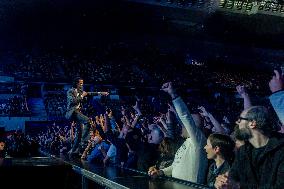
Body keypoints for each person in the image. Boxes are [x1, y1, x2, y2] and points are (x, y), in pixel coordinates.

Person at [148, 82, 207, 183]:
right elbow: (175, 166)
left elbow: (185, 117)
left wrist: (173, 94)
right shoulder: (187, 142)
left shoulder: (198, 141)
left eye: (185, 124)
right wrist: (160, 172)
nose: (182, 126)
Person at [215, 106, 284, 189]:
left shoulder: (281, 149)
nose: (237, 122)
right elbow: (233, 176)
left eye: (240, 119)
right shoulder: (243, 151)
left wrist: (238, 186)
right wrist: (223, 181)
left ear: (252, 123)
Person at [66, 77, 108, 155]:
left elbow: (90, 93)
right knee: (88, 120)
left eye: (82, 83)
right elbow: (73, 101)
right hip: (72, 112)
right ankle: (84, 140)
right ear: (76, 83)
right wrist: (82, 96)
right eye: (81, 83)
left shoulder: (80, 91)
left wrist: (101, 93)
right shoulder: (70, 91)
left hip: (78, 113)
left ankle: (73, 151)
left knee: (79, 133)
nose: (82, 85)